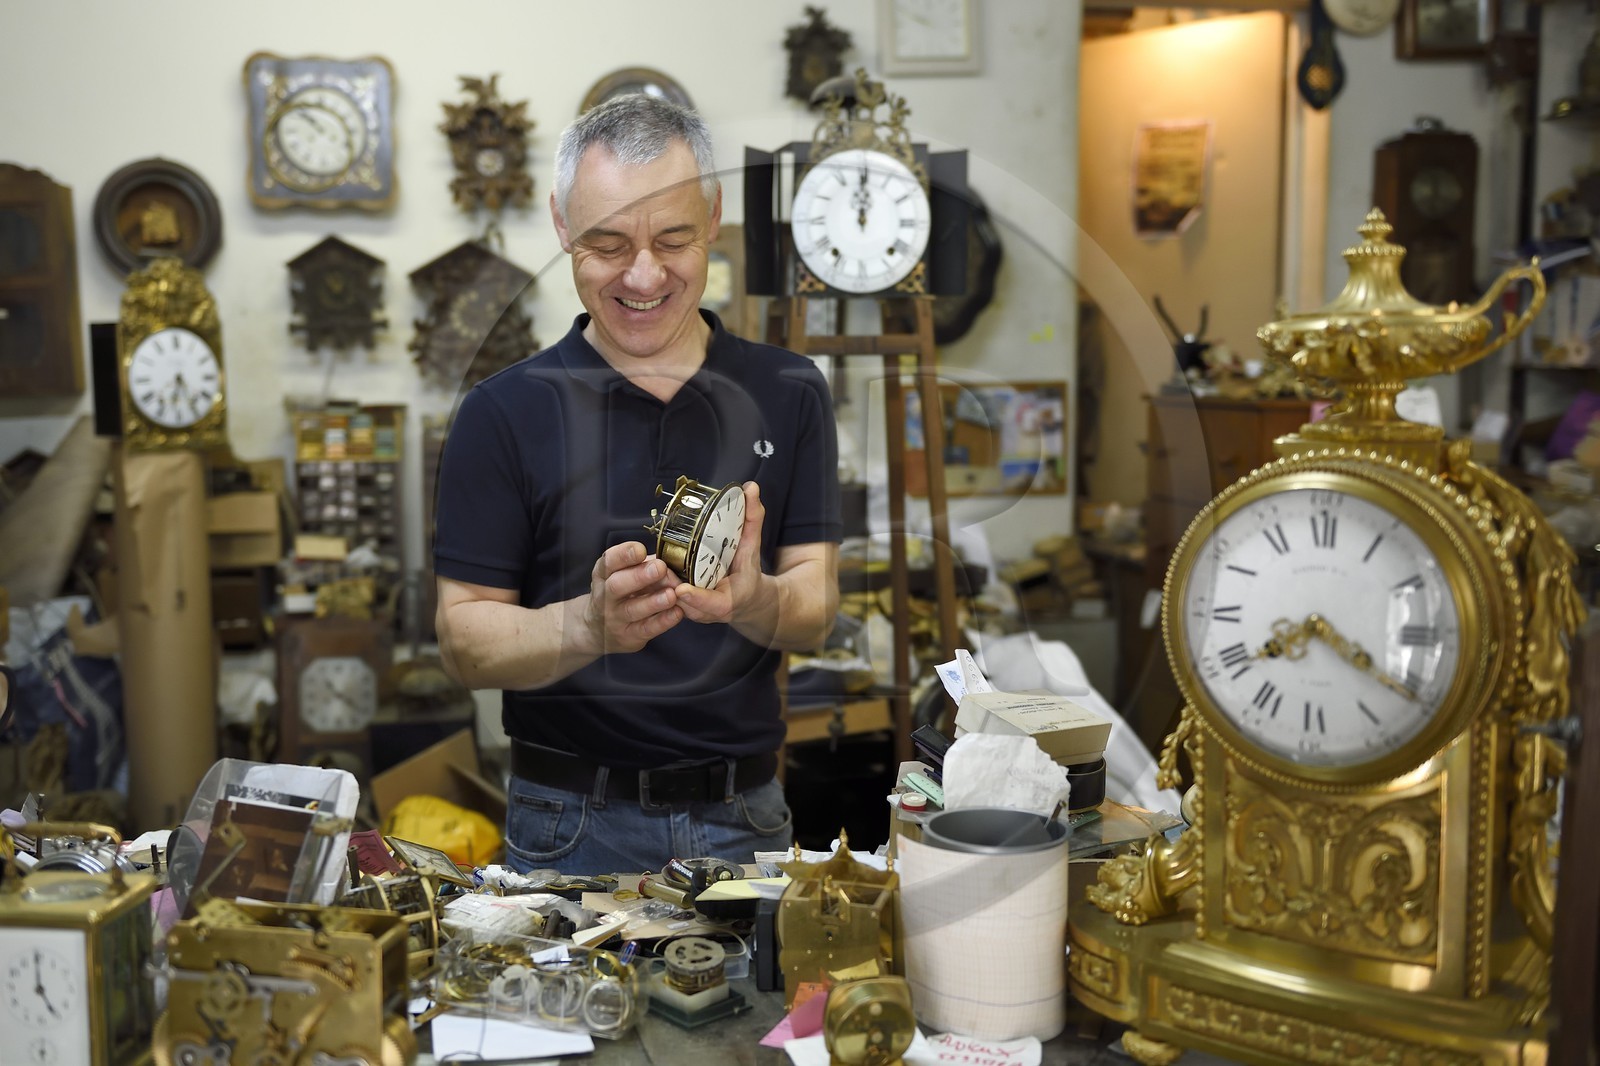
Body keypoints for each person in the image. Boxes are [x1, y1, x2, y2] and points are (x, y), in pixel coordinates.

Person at [433, 94, 841, 876]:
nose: (645, 275)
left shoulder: (790, 390)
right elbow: (463, 644)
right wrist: (589, 625)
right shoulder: (501, 412)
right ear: (562, 225)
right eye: (608, 244)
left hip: (745, 816)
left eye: (674, 239)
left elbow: (815, 607)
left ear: (713, 216)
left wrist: (755, 600)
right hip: (567, 827)